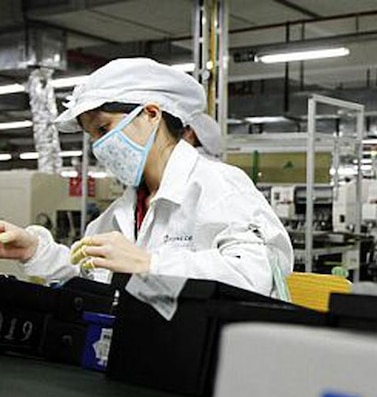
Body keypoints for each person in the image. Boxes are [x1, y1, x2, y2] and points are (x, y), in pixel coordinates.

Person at [0, 57, 292, 298]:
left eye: (103, 129)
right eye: (92, 137)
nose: (99, 147)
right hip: (148, 349)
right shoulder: (120, 212)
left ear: (151, 114)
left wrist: (150, 263)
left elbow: (258, 274)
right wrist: (34, 250)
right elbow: (91, 278)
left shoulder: (219, 185)